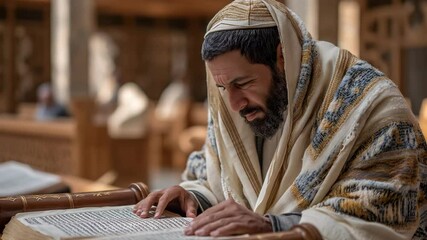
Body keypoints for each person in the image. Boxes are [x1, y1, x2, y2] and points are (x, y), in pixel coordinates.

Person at [133, 0, 427, 239]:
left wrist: (273, 225)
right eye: (222, 88)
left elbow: (381, 212)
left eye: (243, 83)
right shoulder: (239, 104)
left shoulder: (370, 104)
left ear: (282, 57)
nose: (233, 104)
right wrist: (192, 198)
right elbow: (222, 182)